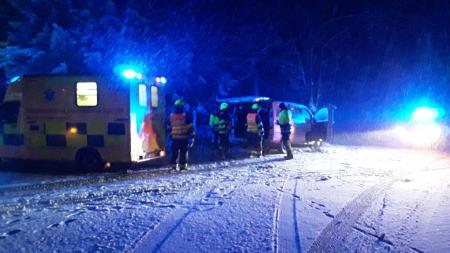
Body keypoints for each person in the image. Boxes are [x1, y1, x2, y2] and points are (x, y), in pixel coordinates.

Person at [167, 99, 195, 170]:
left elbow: (168, 127)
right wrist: (192, 136)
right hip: (184, 138)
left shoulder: (171, 116)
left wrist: (171, 134)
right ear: (182, 106)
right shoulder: (186, 115)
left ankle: (173, 166)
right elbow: (190, 127)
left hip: (174, 138)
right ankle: (182, 166)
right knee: (183, 152)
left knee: (174, 152)